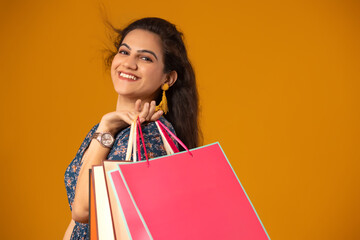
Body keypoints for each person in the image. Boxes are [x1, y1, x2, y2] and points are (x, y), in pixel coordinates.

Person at [63, 17, 200, 240]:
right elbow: (75, 225)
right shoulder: (107, 128)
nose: (129, 63)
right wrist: (107, 127)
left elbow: (83, 211)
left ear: (168, 78)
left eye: (145, 58)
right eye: (124, 52)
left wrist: (106, 129)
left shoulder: (148, 138)